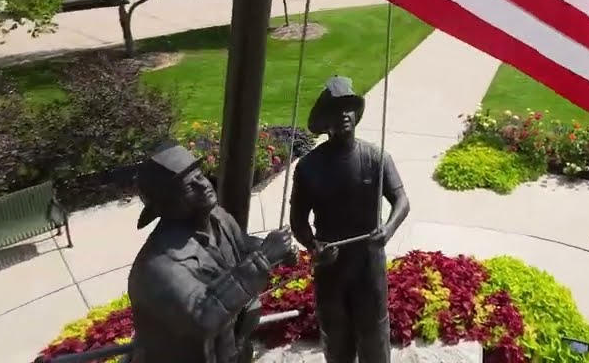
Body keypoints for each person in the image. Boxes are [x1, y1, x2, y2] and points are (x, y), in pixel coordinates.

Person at [127, 141, 296, 363]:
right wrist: (263, 258)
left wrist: (275, 251)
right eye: (188, 185)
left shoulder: (217, 218)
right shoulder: (159, 266)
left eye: (200, 175)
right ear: (166, 204)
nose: (203, 185)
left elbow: (241, 246)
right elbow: (203, 316)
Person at [290, 76, 411, 363]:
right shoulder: (308, 168)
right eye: (336, 109)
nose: (344, 115)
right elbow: (298, 221)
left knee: (373, 336)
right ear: (325, 120)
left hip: (369, 264)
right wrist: (313, 244)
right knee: (336, 337)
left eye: (349, 108)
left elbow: (402, 201)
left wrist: (389, 228)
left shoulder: (376, 157)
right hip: (331, 267)